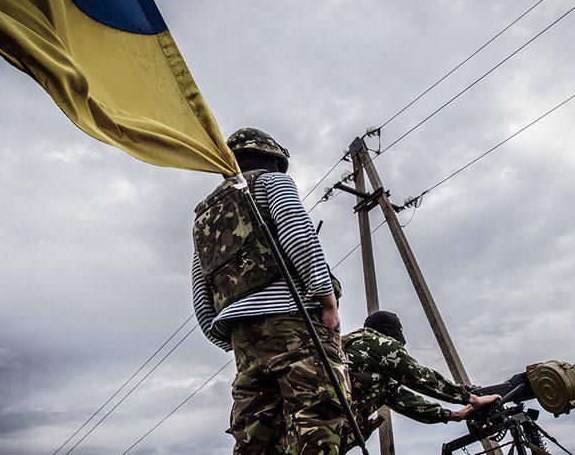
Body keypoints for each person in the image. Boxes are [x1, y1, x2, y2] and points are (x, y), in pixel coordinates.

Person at [191, 127, 348, 454]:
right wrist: (327, 299)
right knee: (317, 417)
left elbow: (201, 288)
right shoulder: (271, 182)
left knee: (256, 436)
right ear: (273, 159)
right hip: (291, 323)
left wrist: (229, 336)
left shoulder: (205, 217)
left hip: (241, 340)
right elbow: (298, 234)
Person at [339, 311, 501, 452]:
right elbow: (419, 377)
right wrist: (472, 399)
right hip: (324, 429)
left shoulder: (348, 348)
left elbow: (409, 403)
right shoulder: (378, 343)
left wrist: (454, 415)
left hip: (321, 432)